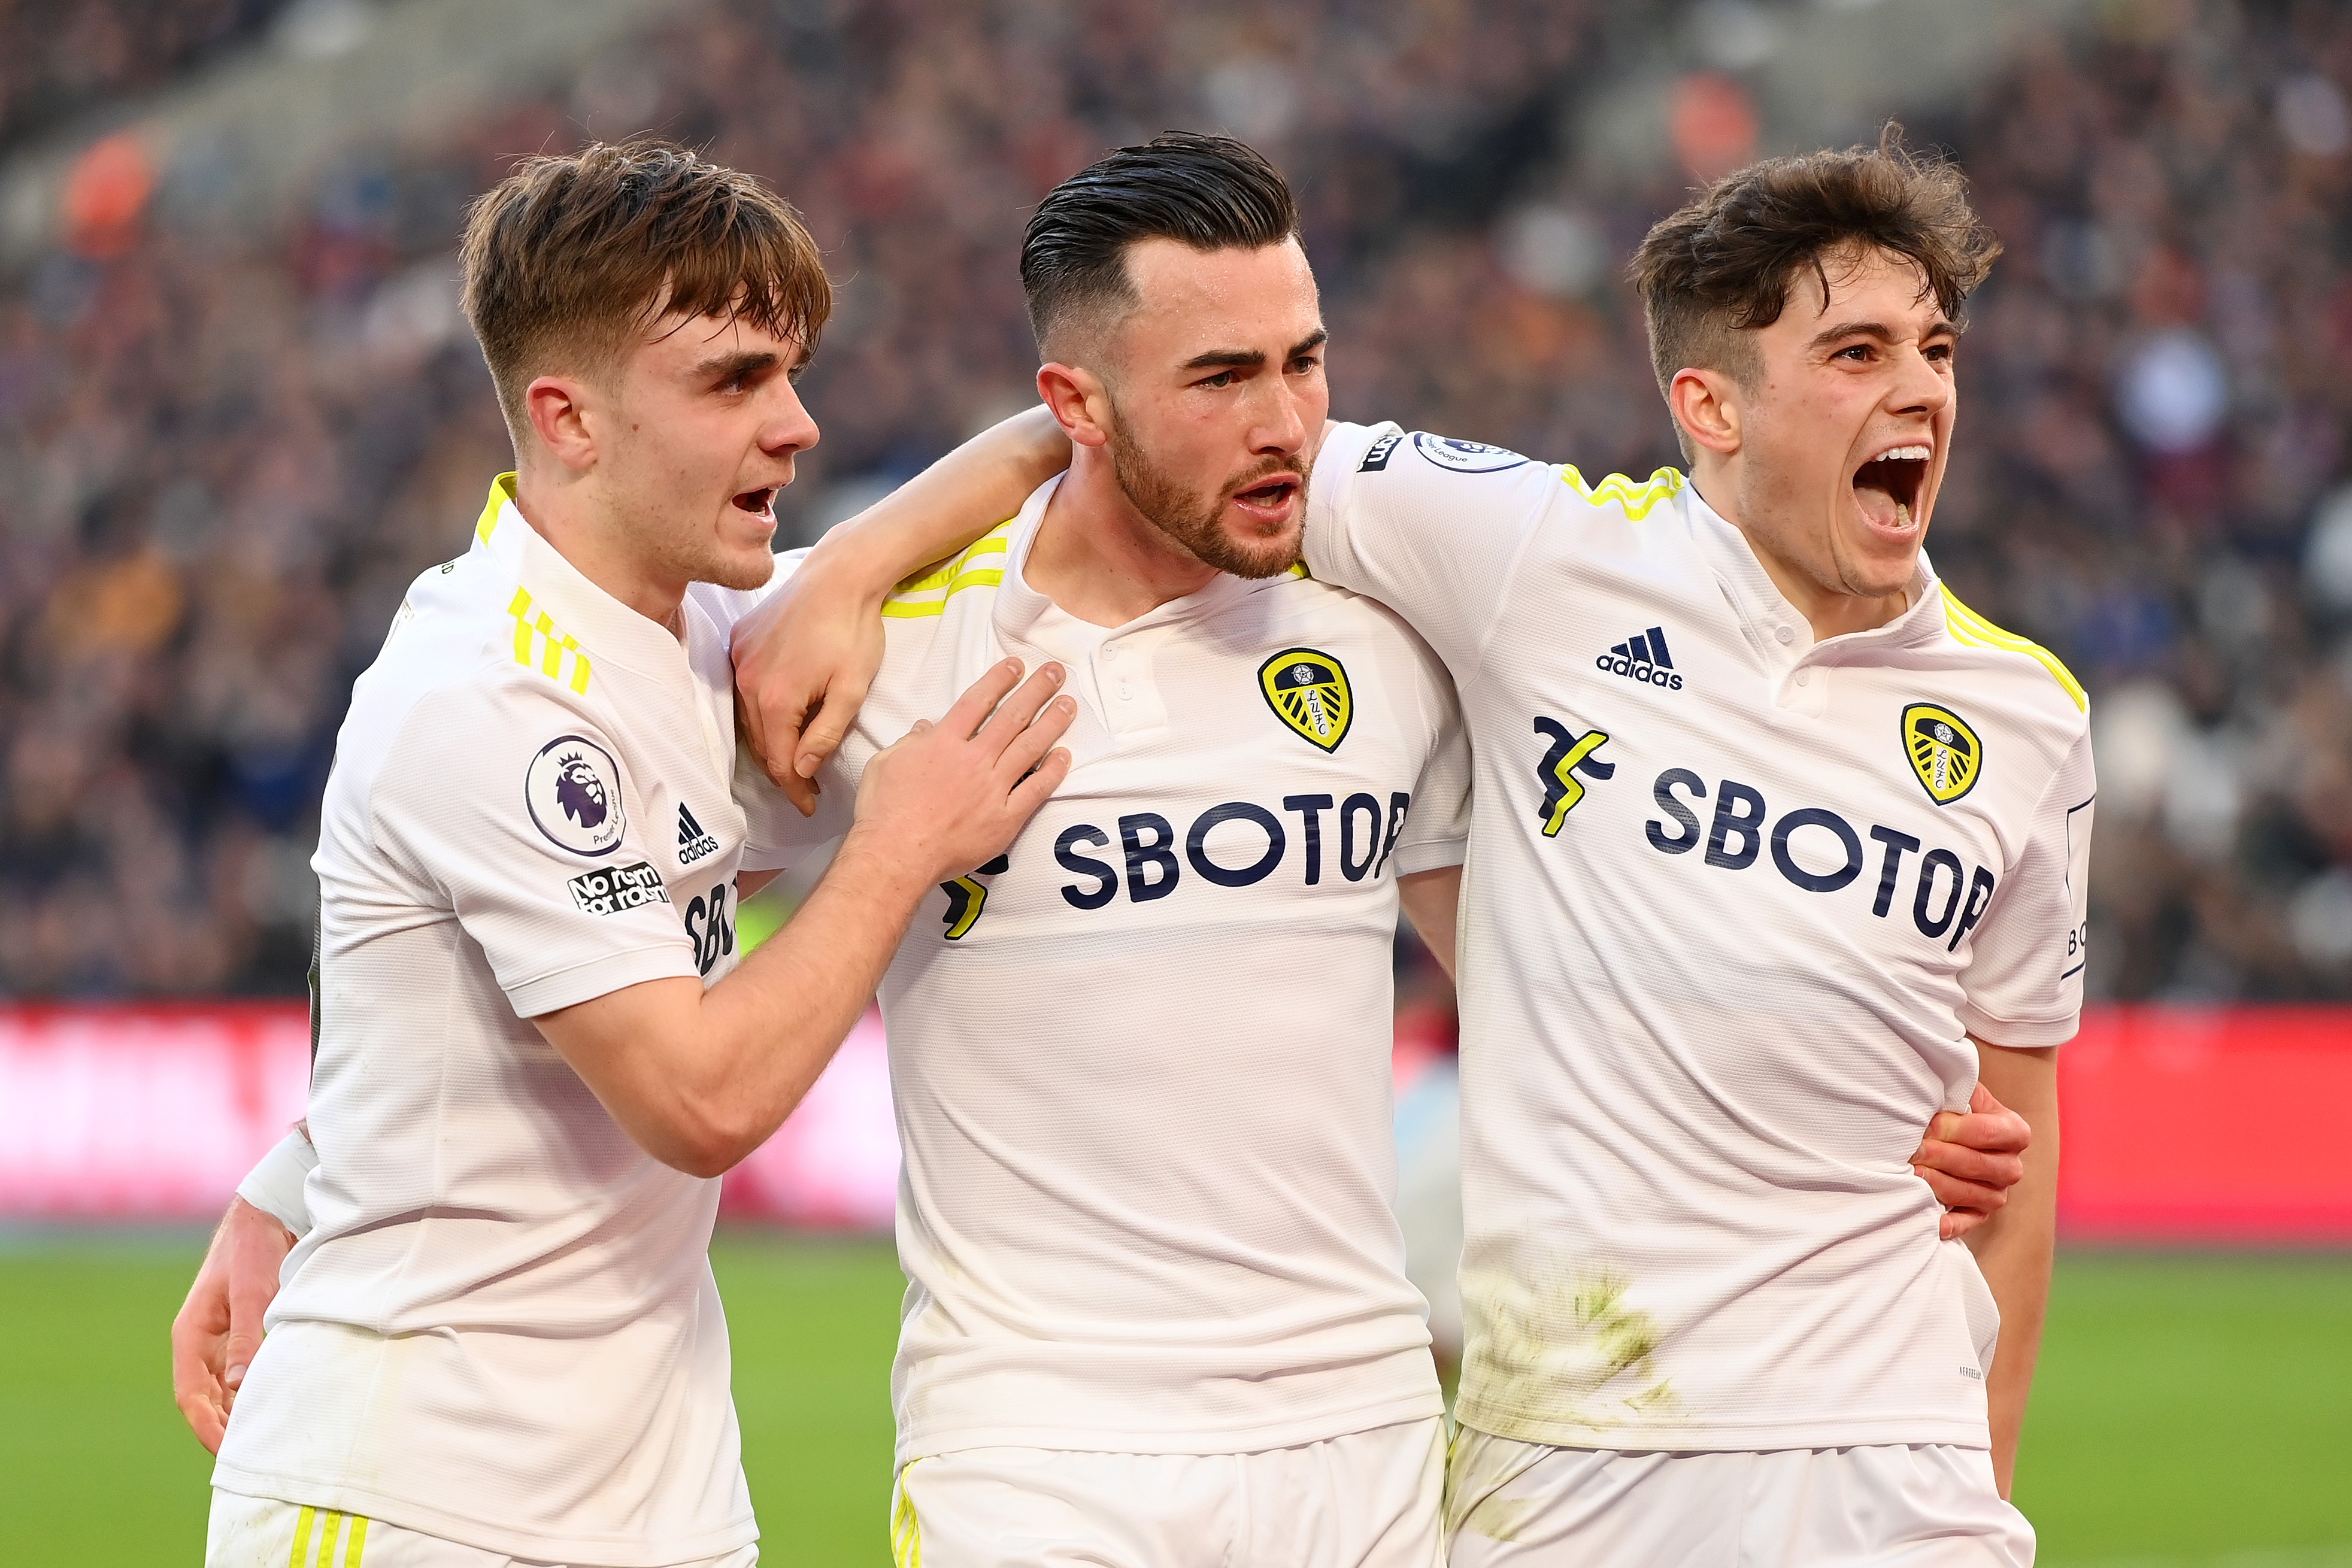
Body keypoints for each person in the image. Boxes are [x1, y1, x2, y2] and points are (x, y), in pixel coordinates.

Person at [182, 136, 2030, 1567]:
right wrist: (315, 1161)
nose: (1288, 418)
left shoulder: (1379, 625)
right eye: (1221, 374)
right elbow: (584, 911)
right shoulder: (877, 659)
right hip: (1033, 1450)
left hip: (1363, 1441)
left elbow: (1568, 962)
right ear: (1082, 403)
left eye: (1306, 361)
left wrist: (1840, 1116)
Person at [752, 132, 2080, 1566]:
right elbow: (1119, 449)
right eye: (1856, 351)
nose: (1286, 421)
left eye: (1934, 349)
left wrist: (1966, 1418)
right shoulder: (1522, 557)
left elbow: (1989, 1109)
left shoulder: (2022, 713)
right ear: (1707, 402)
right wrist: (844, 565)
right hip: (1117, 1455)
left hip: (1421, 1451)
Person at [179, 140, 1075, 1568]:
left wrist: (868, 551)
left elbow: (439, 1008)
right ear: (569, 418)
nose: (795, 426)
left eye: (790, 372)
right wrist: (899, 839)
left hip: (656, 1502)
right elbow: (699, 1095)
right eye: (731, 381)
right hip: (424, 1501)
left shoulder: (690, 624)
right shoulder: (489, 693)